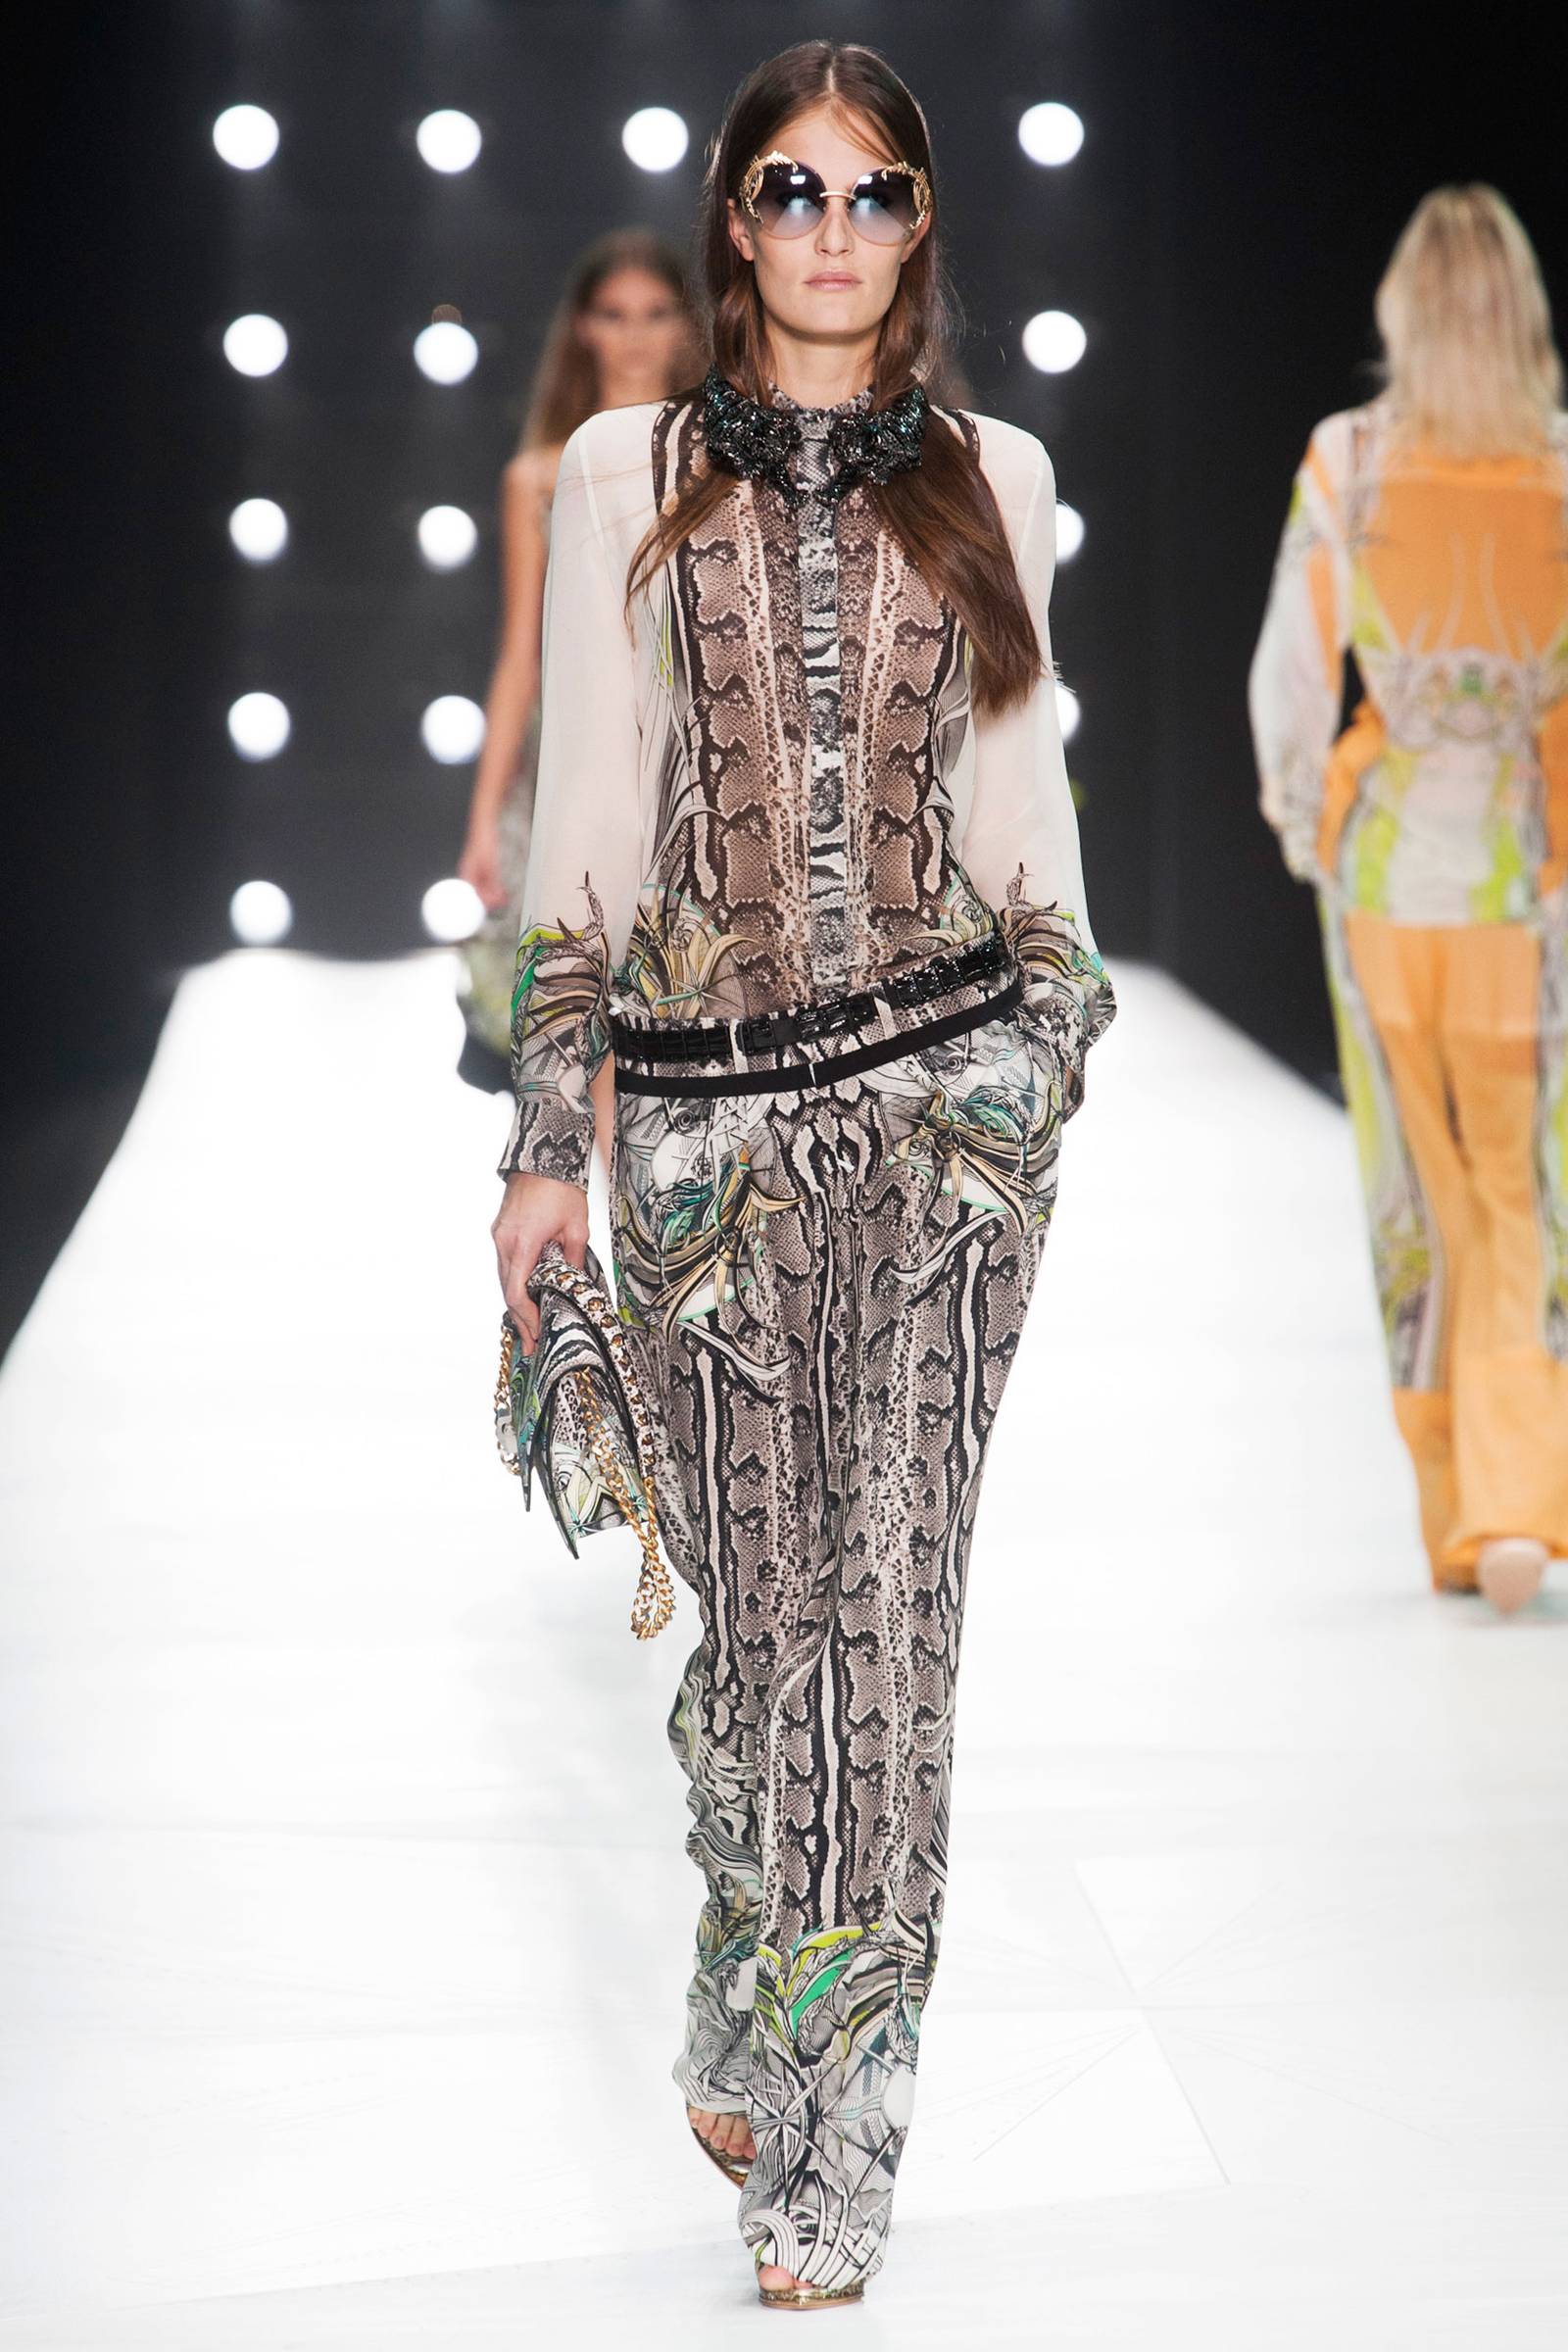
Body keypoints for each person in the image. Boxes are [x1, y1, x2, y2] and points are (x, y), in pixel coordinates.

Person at [490, 41, 1114, 2308]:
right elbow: (587, 819)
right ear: (732, 221)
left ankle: (842, 2133)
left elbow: (1026, 811)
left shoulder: (990, 475)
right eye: (790, 189)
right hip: (697, 1151)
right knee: (763, 1646)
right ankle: (749, 1945)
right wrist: (543, 1148)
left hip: (944, 1132)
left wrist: (1036, 1068)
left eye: (871, 192)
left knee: (890, 1625)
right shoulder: (623, 477)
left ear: (919, 222)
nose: (830, 229)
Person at [1250, 184, 1568, 1615]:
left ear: (1404, 309)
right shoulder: (1558, 469)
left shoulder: (1353, 458)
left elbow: (1294, 666)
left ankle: (1457, 1504)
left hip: (1381, 876)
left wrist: (1294, 809)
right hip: (1522, 878)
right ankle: (1516, 1492)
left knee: (1411, 1189)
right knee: (1522, 1183)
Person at [455, 229, 699, 1172]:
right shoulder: (538, 477)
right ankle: (610, 1215)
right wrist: (484, 818)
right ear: (583, 329)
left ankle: (653, 1217)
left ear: (687, 324)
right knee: (582, 998)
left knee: (673, 1005)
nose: (635, 335)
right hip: (572, 765)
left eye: (656, 312)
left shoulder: (716, 461)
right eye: (614, 314)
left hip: (688, 762)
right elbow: (520, 654)